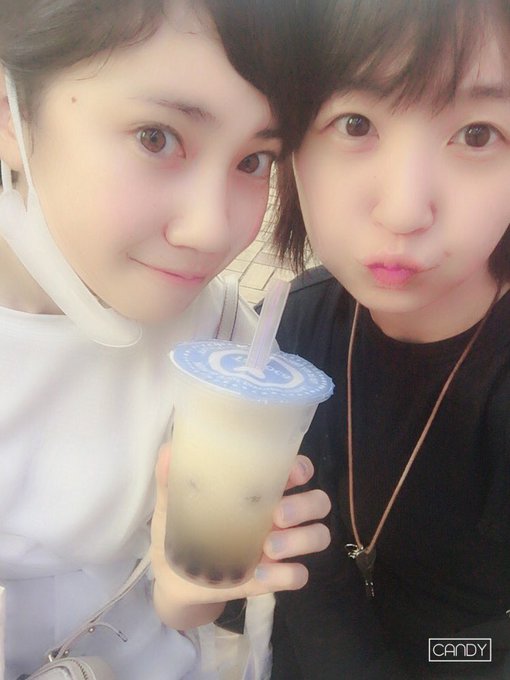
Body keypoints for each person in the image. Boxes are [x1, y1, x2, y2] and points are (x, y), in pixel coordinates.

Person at [0, 1, 332, 678]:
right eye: (157, 137)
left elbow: (180, 613)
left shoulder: (221, 344)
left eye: (254, 159)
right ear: (9, 115)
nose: (213, 229)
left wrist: (192, 585)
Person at [269, 0, 510, 678]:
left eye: (477, 134)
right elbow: (294, 571)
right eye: (355, 123)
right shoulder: (289, 329)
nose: (405, 210)